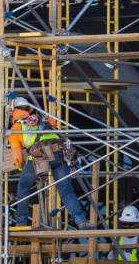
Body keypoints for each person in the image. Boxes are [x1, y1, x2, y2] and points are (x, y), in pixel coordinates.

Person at [9, 97, 95, 230]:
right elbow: (54, 125)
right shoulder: (41, 120)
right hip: (60, 152)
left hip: (41, 153)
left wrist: (21, 167)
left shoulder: (16, 128)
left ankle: (21, 222)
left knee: (24, 186)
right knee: (66, 191)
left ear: (13, 111)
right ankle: (81, 221)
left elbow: (18, 157)